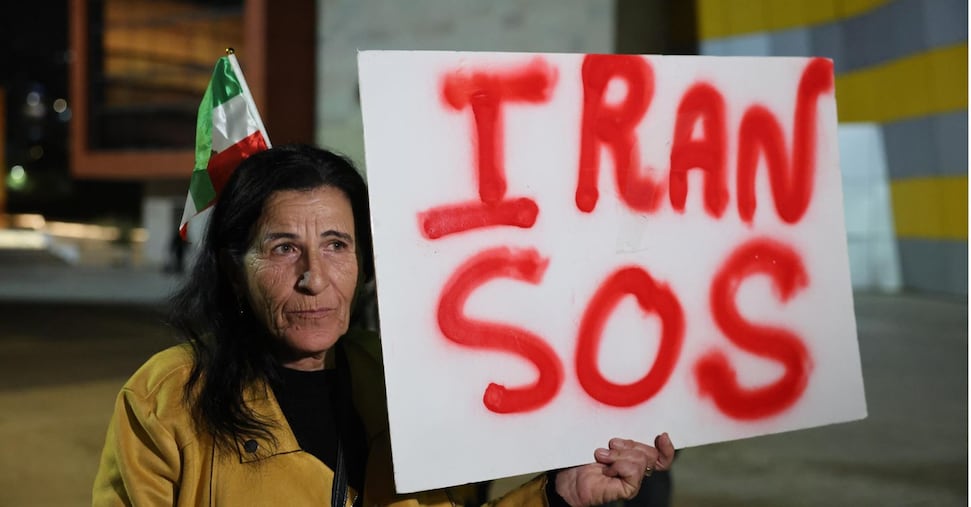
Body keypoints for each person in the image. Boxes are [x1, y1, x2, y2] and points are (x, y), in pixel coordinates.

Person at [92, 144, 675, 506]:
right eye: (283, 248)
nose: (315, 278)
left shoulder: (409, 379)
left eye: (336, 245)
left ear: (365, 262)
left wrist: (558, 495)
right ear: (233, 269)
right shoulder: (165, 401)